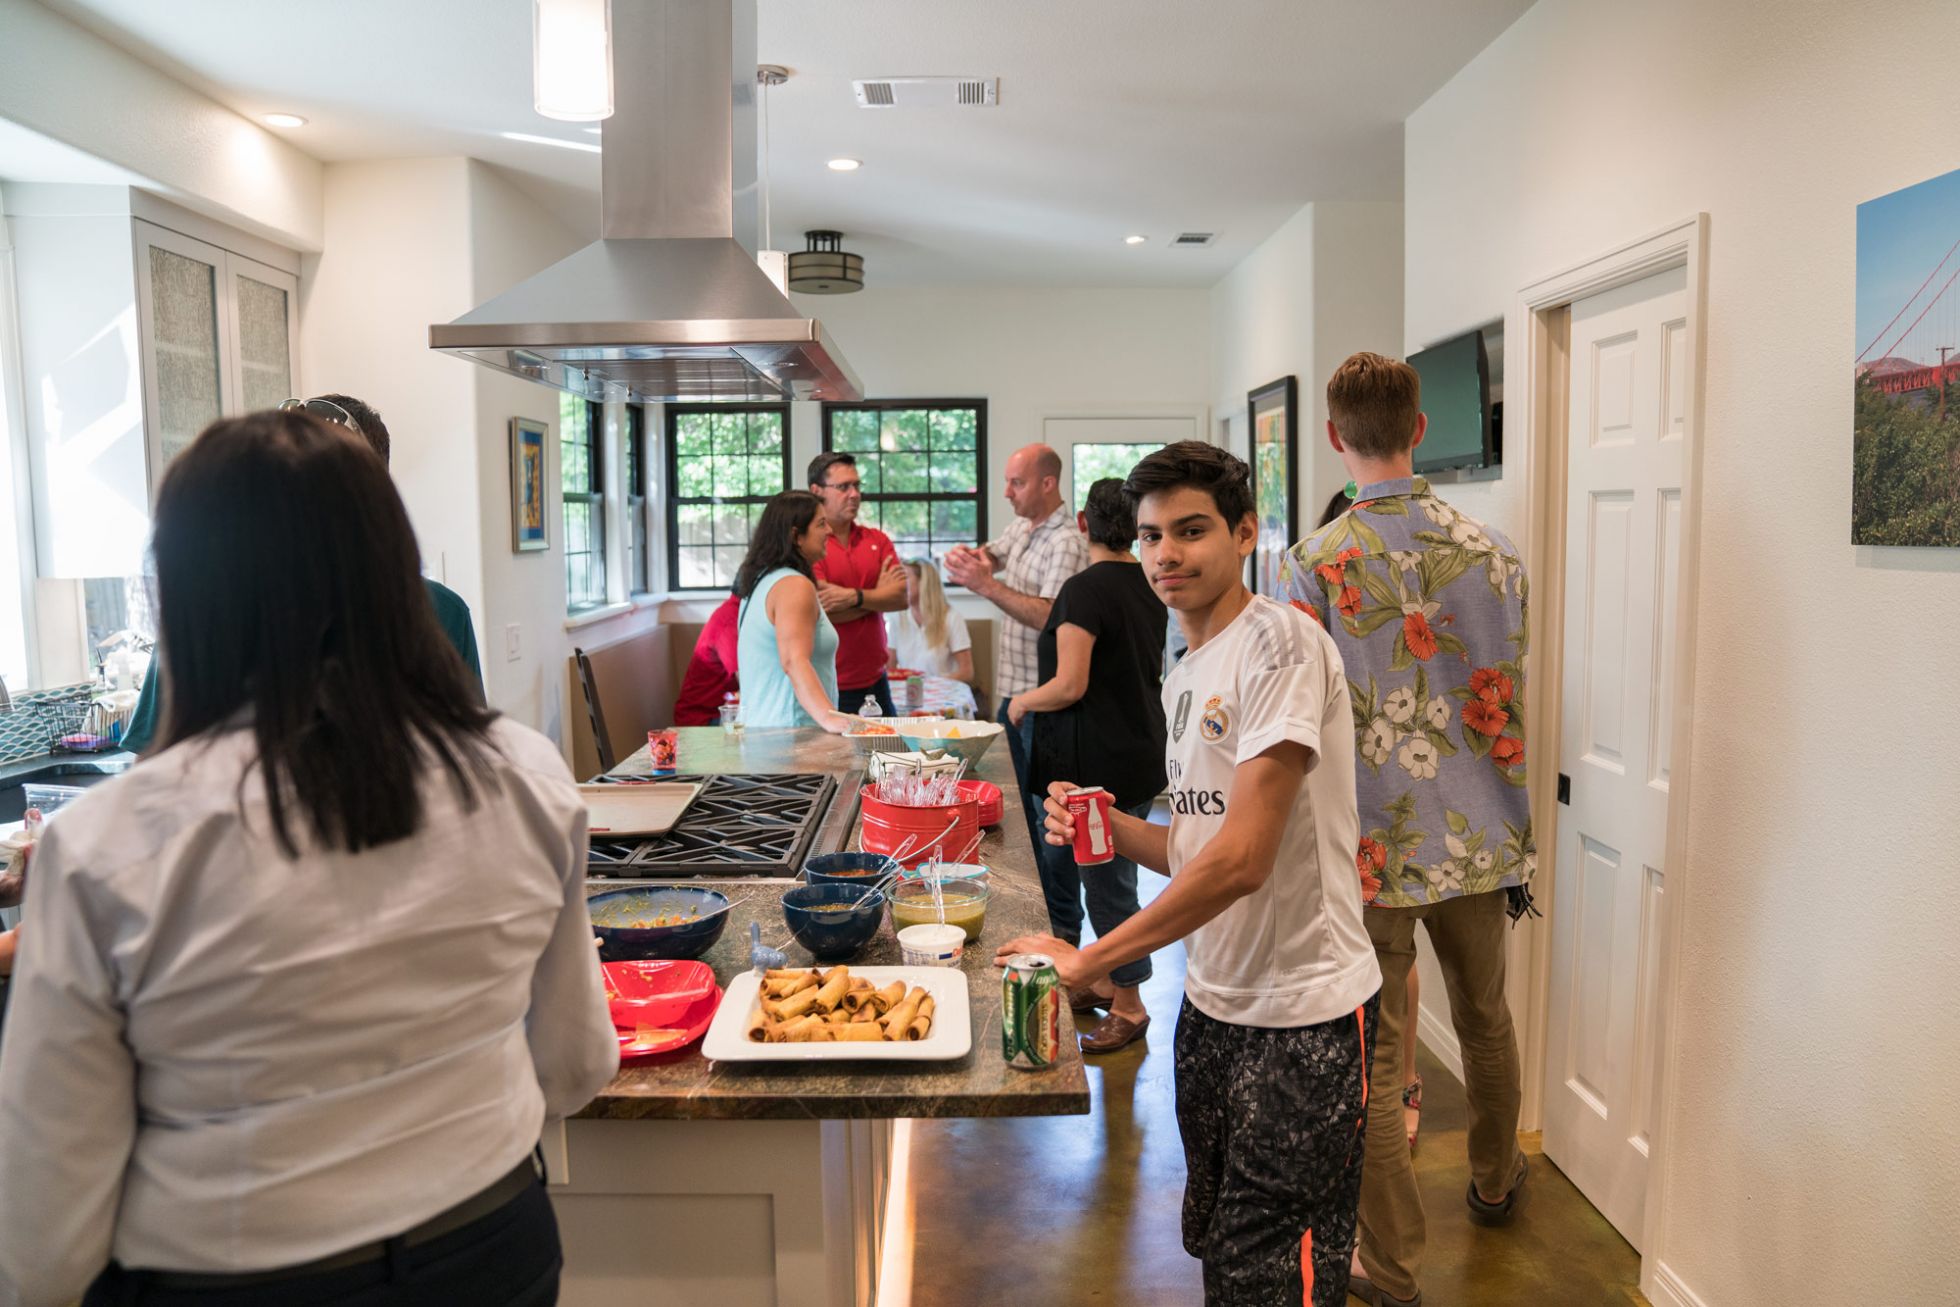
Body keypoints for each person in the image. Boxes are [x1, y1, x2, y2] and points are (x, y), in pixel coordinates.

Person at [0, 409, 619, 1307]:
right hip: (492, 1244)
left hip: (233, 1275)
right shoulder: (524, 773)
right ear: (391, 575)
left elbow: (47, 1216)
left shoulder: (111, 843)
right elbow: (574, 1062)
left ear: (189, 594)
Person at [997, 441, 1380, 1306]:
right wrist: (1112, 823)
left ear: (1245, 532)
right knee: (1220, 1248)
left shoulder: (1281, 644)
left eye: (1192, 530)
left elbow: (1244, 858)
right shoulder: (1185, 668)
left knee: (1276, 1272)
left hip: (1305, 1017)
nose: (1166, 553)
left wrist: (1088, 960)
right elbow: (1194, 847)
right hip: (1211, 1006)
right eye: (1150, 535)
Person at [1279, 352, 1535, 1307]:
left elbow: (1305, 712)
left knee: (1379, 1063)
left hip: (1371, 844)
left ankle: (1390, 1272)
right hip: (1481, 830)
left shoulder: (1313, 562)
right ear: (1422, 428)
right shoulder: (1495, 551)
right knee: (1486, 1020)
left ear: (1337, 437)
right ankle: (1496, 1181)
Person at [119, 393, 484, 754]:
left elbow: (471, 751)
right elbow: (152, 764)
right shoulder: (204, 613)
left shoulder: (443, 614)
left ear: (374, 491)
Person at [1006, 479, 1166, 1053]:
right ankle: (1090, 976)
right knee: (1090, 878)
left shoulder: (1083, 589)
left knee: (1108, 887)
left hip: (1095, 763)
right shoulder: (1151, 584)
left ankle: (1130, 1003)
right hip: (1139, 750)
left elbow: (1070, 685)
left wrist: (1022, 701)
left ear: (1082, 523)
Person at [1315, 485, 1426, 1150]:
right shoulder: (1319, 603)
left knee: (1390, 951)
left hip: (1385, 794)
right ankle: (1355, 1082)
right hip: (1331, 793)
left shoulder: (1395, 604)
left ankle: (1404, 1082)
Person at [943, 443, 1089, 870]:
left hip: (1042, 702)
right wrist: (970, 558)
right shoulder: (1025, 526)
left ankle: (1059, 923)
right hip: (1014, 694)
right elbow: (993, 553)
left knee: (1047, 821)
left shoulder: (1065, 542)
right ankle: (1036, 902)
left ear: (1048, 483)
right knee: (1021, 812)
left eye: (1016, 482)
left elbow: (1050, 614)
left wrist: (986, 585)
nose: (1007, 492)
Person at [733, 490, 856, 733]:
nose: (830, 531)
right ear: (796, 536)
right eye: (821, 524)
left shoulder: (761, 582)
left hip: (765, 732)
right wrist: (829, 717)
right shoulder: (793, 586)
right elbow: (793, 660)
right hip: (792, 735)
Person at [807, 452, 907, 717]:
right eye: (843, 487)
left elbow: (900, 597)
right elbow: (821, 608)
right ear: (817, 491)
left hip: (877, 682)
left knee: (892, 757)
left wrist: (854, 598)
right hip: (829, 685)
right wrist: (877, 597)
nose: (854, 494)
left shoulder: (877, 539)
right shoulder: (810, 544)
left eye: (857, 486)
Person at [885, 559, 974, 683]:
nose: (899, 585)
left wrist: (931, 684)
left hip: (942, 693)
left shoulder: (952, 617)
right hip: (909, 694)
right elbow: (890, 669)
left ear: (924, 583)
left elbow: (967, 673)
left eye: (904, 578)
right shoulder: (896, 617)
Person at [672, 594, 740, 725]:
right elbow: (747, 682)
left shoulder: (732, 612)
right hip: (702, 718)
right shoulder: (730, 620)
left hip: (719, 708)